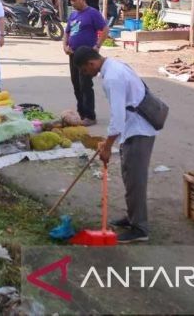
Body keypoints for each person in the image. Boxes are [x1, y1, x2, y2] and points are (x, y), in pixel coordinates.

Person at [74, 47, 156, 244]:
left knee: (135, 179)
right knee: (129, 176)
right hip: (134, 127)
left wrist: (107, 146)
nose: (88, 75)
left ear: (91, 63)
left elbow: (117, 118)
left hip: (139, 130)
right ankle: (133, 217)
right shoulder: (115, 66)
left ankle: (139, 228)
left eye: (85, 71)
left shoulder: (112, 78)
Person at [63, 0, 109, 126]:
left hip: (86, 56)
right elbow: (67, 32)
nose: (72, 3)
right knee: (76, 84)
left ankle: (90, 115)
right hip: (73, 54)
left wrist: (97, 45)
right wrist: (65, 46)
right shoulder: (73, 15)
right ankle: (82, 113)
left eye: (74, 0)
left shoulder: (93, 13)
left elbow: (105, 29)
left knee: (85, 85)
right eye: (71, 0)